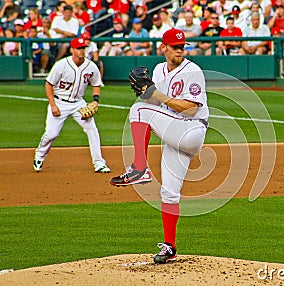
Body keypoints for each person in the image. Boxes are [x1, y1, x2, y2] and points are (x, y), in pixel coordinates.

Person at [110, 28, 209, 264]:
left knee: (137, 109)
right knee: (169, 192)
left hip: (192, 129)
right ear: (163, 47)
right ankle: (170, 246)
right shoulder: (158, 69)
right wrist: (148, 93)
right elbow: (155, 101)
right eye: (174, 46)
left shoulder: (192, 71)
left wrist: (156, 97)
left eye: (182, 46)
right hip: (175, 132)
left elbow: (192, 108)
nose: (179, 50)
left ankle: (140, 167)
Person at [33, 37, 110, 174]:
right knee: (51, 133)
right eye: (79, 48)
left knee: (92, 129)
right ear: (72, 50)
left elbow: (96, 83)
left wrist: (95, 100)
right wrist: (53, 105)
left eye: (83, 48)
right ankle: (40, 155)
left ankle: (99, 163)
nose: (81, 51)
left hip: (78, 103)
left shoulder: (91, 66)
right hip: (59, 102)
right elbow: (49, 84)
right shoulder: (61, 65)